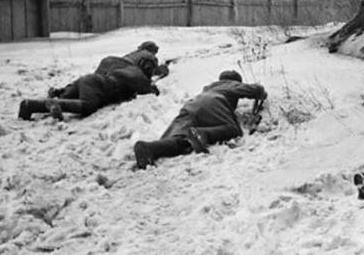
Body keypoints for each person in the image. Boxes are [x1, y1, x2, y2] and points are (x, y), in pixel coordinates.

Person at [133, 70, 267, 169]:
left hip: (191, 105)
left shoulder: (208, 87)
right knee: (233, 130)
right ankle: (203, 133)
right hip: (214, 102)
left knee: (181, 140)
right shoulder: (230, 84)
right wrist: (261, 92)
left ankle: (149, 148)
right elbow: (255, 90)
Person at [19, 54, 160, 121]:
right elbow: (152, 91)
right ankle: (55, 103)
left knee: (67, 99)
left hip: (87, 80)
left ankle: (29, 105)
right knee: (88, 106)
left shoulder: (120, 65)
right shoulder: (138, 74)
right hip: (99, 86)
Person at [48, 41, 167, 98]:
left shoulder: (134, 52)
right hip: (125, 67)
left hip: (110, 61)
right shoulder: (149, 56)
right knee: (102, 87)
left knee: (93, 81)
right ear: (152, 50)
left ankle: (62, 92)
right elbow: (148, 70)